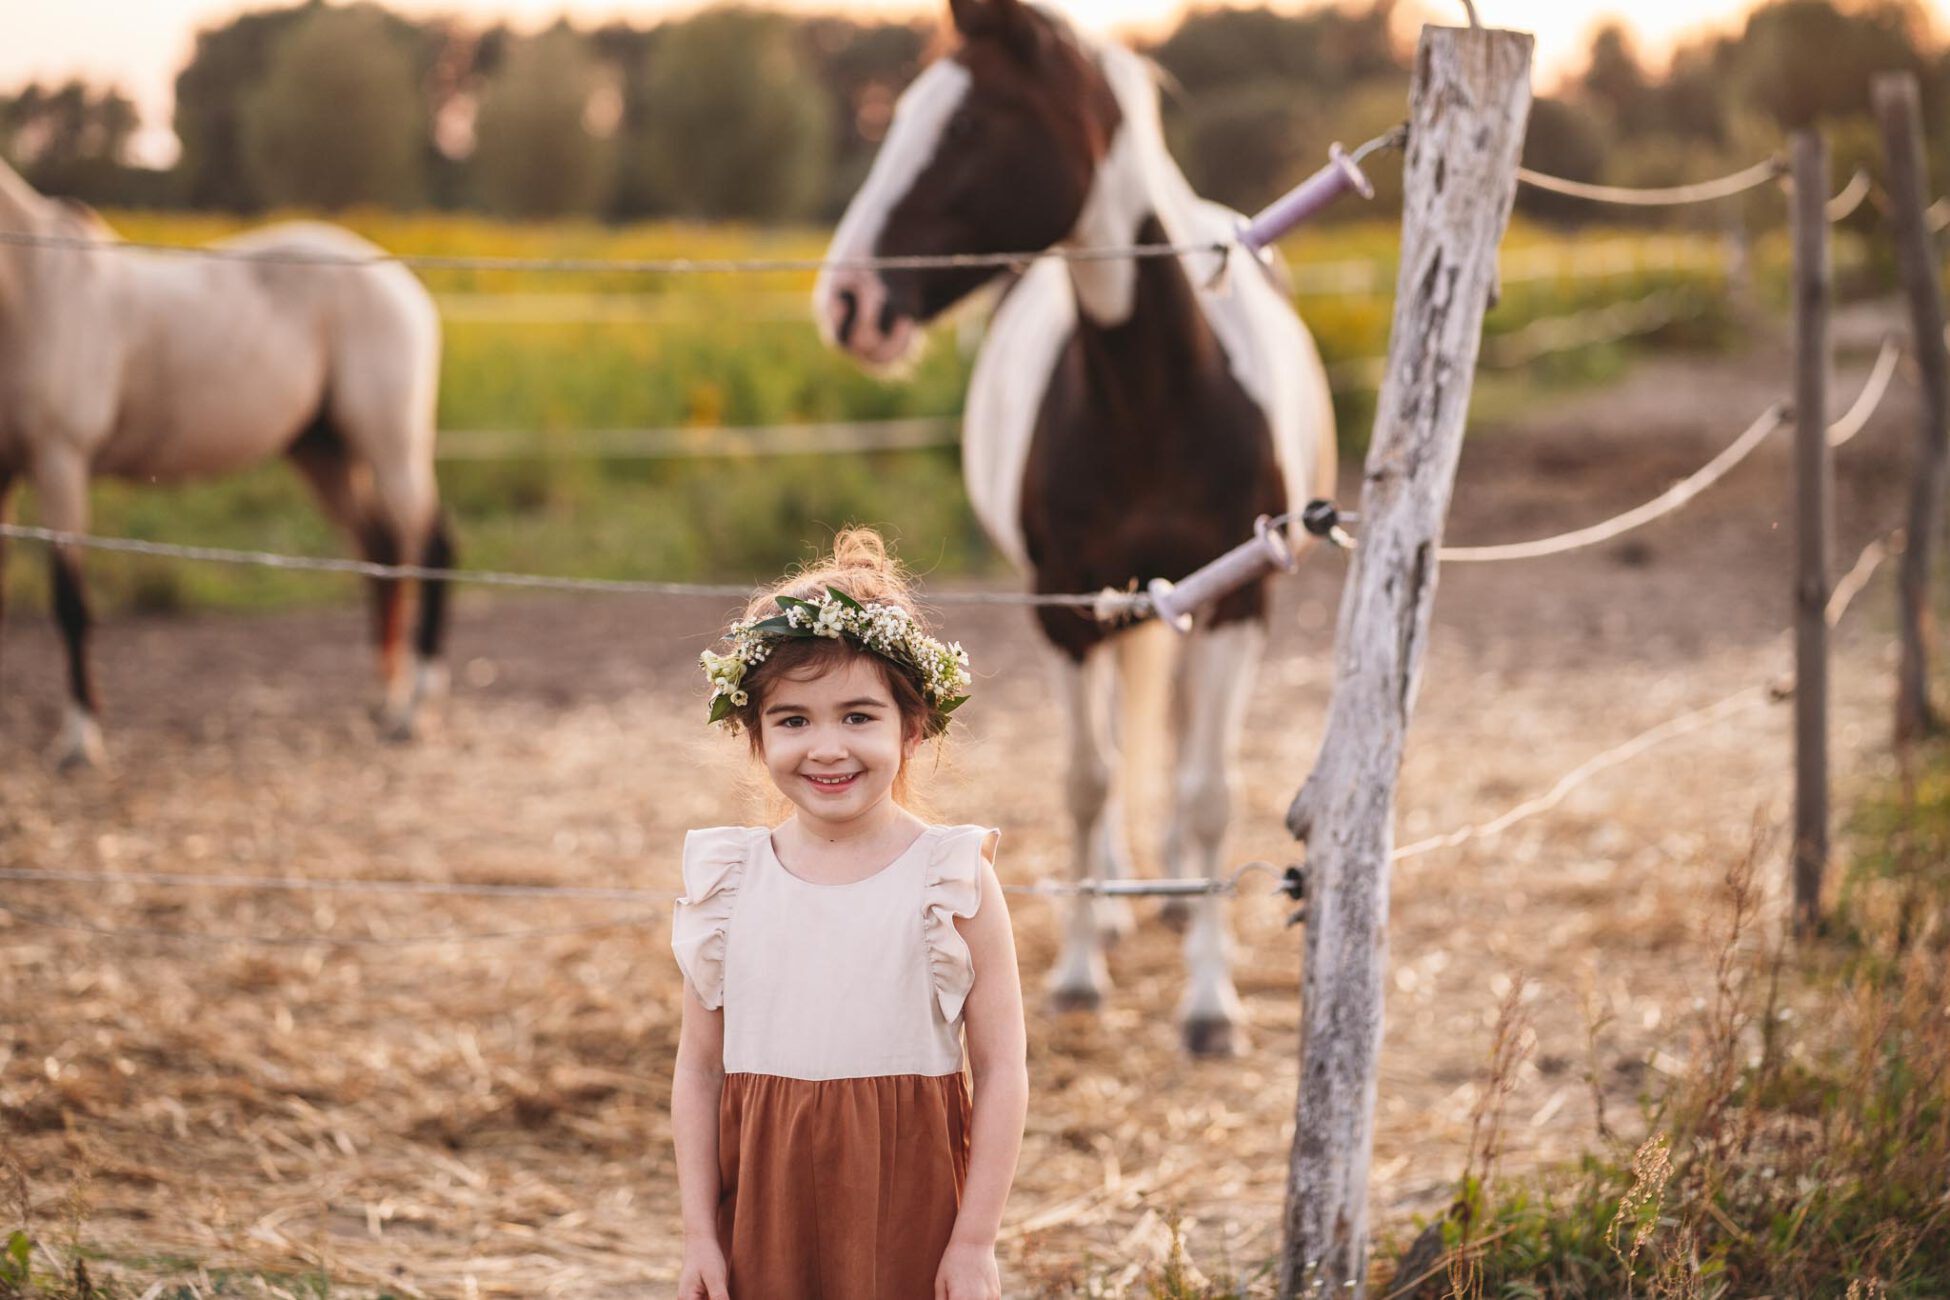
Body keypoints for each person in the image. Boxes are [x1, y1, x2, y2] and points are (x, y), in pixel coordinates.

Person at [671, 528, 1029, 1300]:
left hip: (908, 1196)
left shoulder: (952, 881)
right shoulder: (728, 885)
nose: (827, 747)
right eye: (793, 720)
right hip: (766, 1207)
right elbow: (699, 1069)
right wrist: (701, 1235)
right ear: (752, 733)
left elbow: (1002, 1070)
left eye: (858, 716)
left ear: (915, 724)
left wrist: (974, 1243)